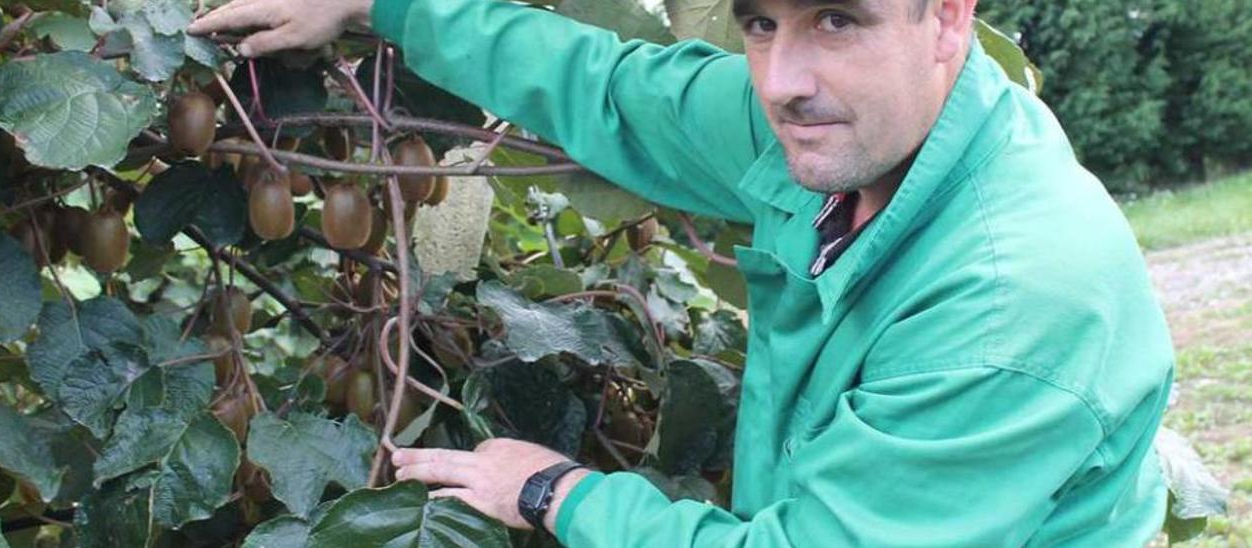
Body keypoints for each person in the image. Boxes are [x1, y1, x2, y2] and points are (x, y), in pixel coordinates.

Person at [189, 0, 1176, 545]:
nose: (783, 78)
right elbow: (609, 87)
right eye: (759, 22)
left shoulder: (1008, 312)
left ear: (947, 19)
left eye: (837, 18)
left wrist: (552, 491)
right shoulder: (854, 129)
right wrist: (383, 4)